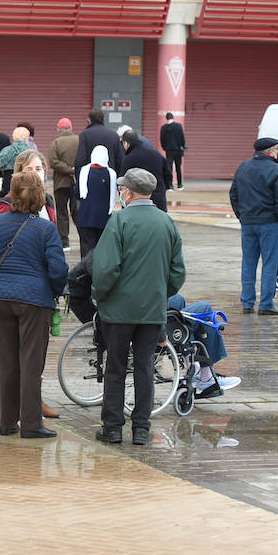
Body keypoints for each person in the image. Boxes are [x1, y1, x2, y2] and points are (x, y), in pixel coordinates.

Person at [91, 169, 186, 446]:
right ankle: (142, 429)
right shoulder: (166, 222)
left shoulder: (119, 220)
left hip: (119, 311)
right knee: (145, 367)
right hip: (151, 311)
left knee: (116, 368)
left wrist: (100, 295)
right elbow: (177, 272)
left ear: (128, 192)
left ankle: (112, 428)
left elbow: (106, 268)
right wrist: (158, 293)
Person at [0, 173, 67, 440]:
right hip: (35, 301)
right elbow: (58, 270)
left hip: (2, 299)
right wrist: (55, 290)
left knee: (6, 362)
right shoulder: (46, 229)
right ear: (39, 196)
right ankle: (31, 424)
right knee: (31, 363)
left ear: (12, 194)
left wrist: (1, 279)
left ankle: (6, 422)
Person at [229, 137, 278, 315]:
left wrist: (242, 216)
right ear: (272, 151)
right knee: (270, 264)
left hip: (249, 223)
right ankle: (266, 304)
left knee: (248, 262)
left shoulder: (243, 167)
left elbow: (233, 194)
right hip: (271, 223)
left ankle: (247, 303)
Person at [75, 145, 116, 259]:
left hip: (86, 215)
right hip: (104, 217)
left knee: (87, 248)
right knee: (101, 248)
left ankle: (85, 273)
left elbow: (77, 193)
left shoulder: (84, 171)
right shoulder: (111, 174)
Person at [118, 129, 169, 212]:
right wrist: (163, 188)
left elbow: (123, 181)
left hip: (136, 201)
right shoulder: (156, 154)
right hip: (158, 197)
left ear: (126, 143)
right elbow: (167, 174)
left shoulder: (128, 158)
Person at [48, 118, 79, 249]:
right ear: (71, 128)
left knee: (61, 213)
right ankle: (84, 238)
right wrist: (73, 170)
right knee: (77, 211)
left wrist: (67, 170)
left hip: (61, 184)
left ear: (59, 130)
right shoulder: (80, 141)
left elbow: (53, 162)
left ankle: (64, 243)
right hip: (77, 182)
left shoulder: (56, 143)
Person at [72, 108, 122, 179]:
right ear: (103, 119)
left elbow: (80, 160)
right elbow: (120, 160)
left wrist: (79, 178)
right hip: (109, 177)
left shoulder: (85, 135)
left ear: (89, 120)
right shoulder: (114, 135)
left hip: (89, 177)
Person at [0, 127, 32, 200]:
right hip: (26, 189)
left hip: (7, 188)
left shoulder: (5, 151)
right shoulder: (31, 152)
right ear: (26, 137)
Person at [159, 111, 186, 190]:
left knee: (169, 168)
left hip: (169, 150)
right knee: (178, 168)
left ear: (166, 118)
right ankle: (180, 185)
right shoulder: (179, 126)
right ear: (173, 117)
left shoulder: (164, 128)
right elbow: (182, 138)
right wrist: (183, 147)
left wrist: (164, 147)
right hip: (178, 150)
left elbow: (162, 139)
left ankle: (170, 185)